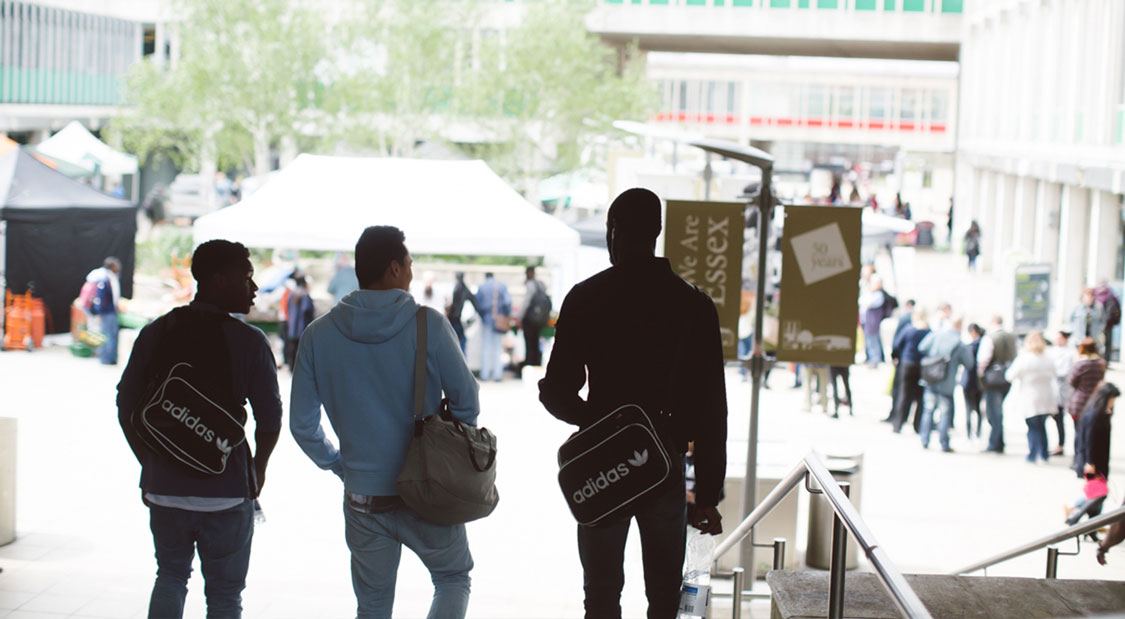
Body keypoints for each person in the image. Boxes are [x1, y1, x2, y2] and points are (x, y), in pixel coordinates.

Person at [538, 188, 727, 619]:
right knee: (665, 597)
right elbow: (711, 407)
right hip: (664, 465)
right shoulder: (694, 305)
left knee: (601, 596)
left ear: (613, 231)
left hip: (604, 466)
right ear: (658, 232)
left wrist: (601, 422)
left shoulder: (586, 297)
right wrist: (708, 493)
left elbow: (557, 391)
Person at [289, 226, 480, 619]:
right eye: (409, 264)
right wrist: (446, 453)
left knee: (373, 606)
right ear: (394, 268)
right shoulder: (428, 324)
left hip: (363, 498)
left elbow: (303, 425)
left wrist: (340, 464)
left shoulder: (318, 335)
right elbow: (467, 401)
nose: (411, 273)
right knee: (452, 577)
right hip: (427, 490)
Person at [116, 240, 282, 618]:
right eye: (247, 278)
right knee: (224, 596)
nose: (254, 288)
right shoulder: (250, 342)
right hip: (227, 492)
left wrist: (149, 461)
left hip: (165, 490)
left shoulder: (157, 332)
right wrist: (259, 469)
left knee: (170, 577)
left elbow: (126, 404)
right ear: (218, 280)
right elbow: (270, 418)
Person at [918, 314, 973, 452]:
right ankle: (944, 443)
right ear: (960, 326)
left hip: (930, 378)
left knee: (928, 410)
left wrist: (934, 356)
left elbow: (922, 347)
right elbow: (969, 363)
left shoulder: (936, 335)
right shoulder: (959, 343)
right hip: (947, 383)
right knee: (945, 413)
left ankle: (924, 439)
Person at [1005, 332, 1058, 463]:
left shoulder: (1024, 358)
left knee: (1033, 426)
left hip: (1030, 396)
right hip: (1046, 395)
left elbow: (1010, 376)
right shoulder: (1048, 358)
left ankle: (1033, 454)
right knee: (1041, 425)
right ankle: (1044, 453)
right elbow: (1054, 374)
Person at [1075, 383, 1118, 516]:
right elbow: (1089, 441)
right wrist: (1090, 462)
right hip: (1093, 462)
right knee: (1098, 493)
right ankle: (1074, 507)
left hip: (1097, 460)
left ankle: (1092, 524)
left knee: (1097, 493)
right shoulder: (1094, 416)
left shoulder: (1100, 414)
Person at [978, 315, 1017, 454]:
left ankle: (994, 443)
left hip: (993, 378)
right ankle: (999, 441)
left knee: (994, 412)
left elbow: (983, 359)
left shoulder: (990, 338)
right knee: (997, 411)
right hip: (1007, 376)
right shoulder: (1012, 337)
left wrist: (980, 374)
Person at [1068, 337, 1106, 472]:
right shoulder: (1101, 363)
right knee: (1090, 433)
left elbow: (1071, 381)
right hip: (1095, 401)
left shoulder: (1080, 364)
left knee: (1079, 433)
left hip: (1080, 401)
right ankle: (1088, 460)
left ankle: (1078, 460)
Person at [891, 307, 930, 434]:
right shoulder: (928, 331)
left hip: (907, 364)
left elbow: (897, 345)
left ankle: (898, 424)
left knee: (904, 395)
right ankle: (917, 425)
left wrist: (895, 357)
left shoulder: (908, 330)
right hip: (922, 366)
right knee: (920, 397)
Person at [475, 272, 512, 382]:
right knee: (498, 348)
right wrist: (505, 315)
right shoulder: (501, 286)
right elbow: (508, 302)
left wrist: (483, 315)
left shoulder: (481, 287)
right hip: (498, 320)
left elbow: (477, 304)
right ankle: (497, 374)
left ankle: (485, 374)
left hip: (486, 319)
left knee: (485, 348)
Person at [86, 257, 122, 365]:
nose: (118, 267)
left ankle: (109, 357)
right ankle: (106, 358)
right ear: (111, 266)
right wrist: (99, 312)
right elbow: (102, 298)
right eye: (116, 265)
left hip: (109, 311)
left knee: (108, 334)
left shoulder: (110, 278)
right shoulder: (105, 279)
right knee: (107, 335)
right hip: (107, 312)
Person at [885, 299, 916, 422]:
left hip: (904, 360)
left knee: (900, 390)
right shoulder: (923, 325)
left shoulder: (905, 321)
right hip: (914, 362)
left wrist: (894, 356)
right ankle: (903, 418)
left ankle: (897, 417)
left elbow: (897, 341)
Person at [860, 274, 896, 366]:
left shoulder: (879, 294)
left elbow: (867, 303)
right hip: (867, 322)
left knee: (873, 341)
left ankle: (875, 360)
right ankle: (871, 358)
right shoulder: (871, 293)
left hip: (873, 322)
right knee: (868, 341)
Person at [1051, 329, 1076, 456]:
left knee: (1059, 418)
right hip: (1053, 389)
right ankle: (1058, 444)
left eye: (1060, 338)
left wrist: (1051, 372)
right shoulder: (1053, 351)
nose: (1057, 340)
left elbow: (1065, 372)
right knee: (1056, 418)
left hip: (1062, 390)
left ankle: (1061, 445)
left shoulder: (1069, 354)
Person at [520, 266, 550, 372]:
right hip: (540, 319)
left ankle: (530, 364)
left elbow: (526, 302)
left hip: (530, 319)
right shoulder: (541, 284)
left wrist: (520, 317)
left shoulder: (530, 285)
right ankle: (536, 363)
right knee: (536, 342)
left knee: (529, 344)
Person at [284, 275, 315, 371]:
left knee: (292, 348)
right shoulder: (305, 294)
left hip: (292, 327)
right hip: (302, 327)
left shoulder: (292, 294)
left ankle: (291, 367)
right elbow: (307, 309)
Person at [446, 272, 478, 354]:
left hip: (453, 319)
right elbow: (475, 302)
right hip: (456, 319)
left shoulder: (455, 288)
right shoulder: (464, 289)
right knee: (461, 341)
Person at [963, 323, 985, 439]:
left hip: (969, 380)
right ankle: (978, 432)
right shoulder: (984, 344)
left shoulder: (970, 346)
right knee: (977, 408)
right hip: (980, 381)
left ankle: (969, 434)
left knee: (969, 409)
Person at [1069, 287, 1107, 354]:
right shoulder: (1077, 307)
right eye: (1087, 295)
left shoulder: (1099, 307)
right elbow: (1070, 320)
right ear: (1083, 296)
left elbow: (1103, 321)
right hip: (1079, 340)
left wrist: (1099, 331)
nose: (1089, 297)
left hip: (1094, 340)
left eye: (1092, 295)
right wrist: (1074, 331)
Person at [1094, 282, 1121, 364]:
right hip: (1106, 324)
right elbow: (1112, 310)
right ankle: (1105, 360)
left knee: (1099, 342)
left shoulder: (1095, 295)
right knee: (1106, 343)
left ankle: (1100, 359)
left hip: (1099, 324)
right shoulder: (1110, 295)